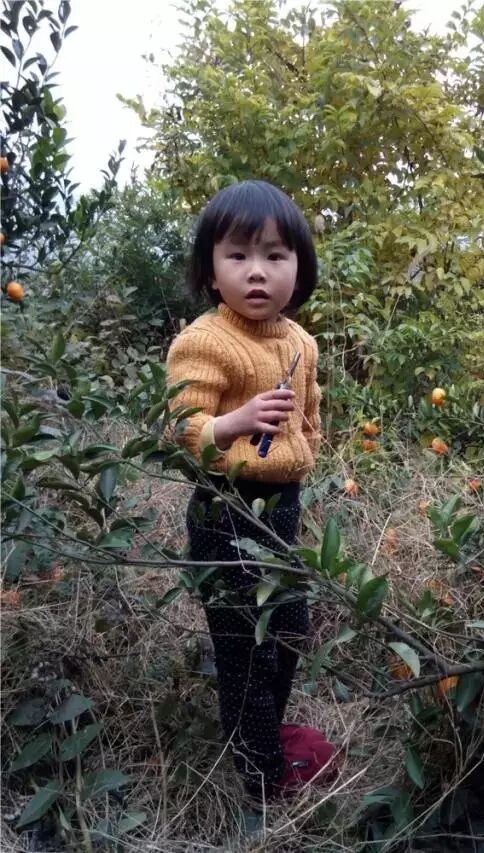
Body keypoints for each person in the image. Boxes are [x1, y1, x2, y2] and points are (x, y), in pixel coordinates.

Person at [164, 180, 325, 802]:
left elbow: (309, 418)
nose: (257, 271)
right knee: (243, 644)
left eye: (275, 255)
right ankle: (259, 775)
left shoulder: (301, 342)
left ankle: (261, 733)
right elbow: (184, 427)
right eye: (238, 255)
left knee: (288, 627)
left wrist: (302, 455)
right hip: (224, 507)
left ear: (297, 267)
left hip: (281, 508)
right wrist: (234, 423)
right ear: (211, 270)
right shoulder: (204, 340)